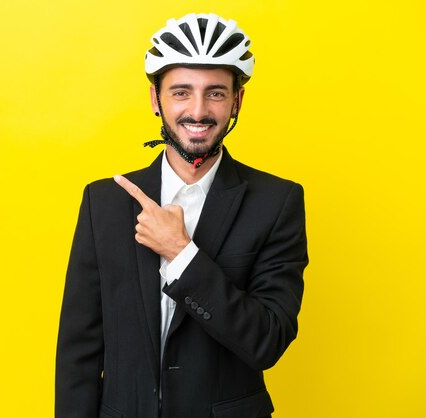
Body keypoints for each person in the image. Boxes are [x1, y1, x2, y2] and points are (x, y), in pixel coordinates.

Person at [56, 13, 308, 418]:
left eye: (215, 93)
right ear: (156, 100)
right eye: (181, 92)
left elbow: (267, 340)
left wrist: (182, 253)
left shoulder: (277, 203)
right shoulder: (103, 202)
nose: (198, 110)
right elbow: (79, 350)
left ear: (236, 102)